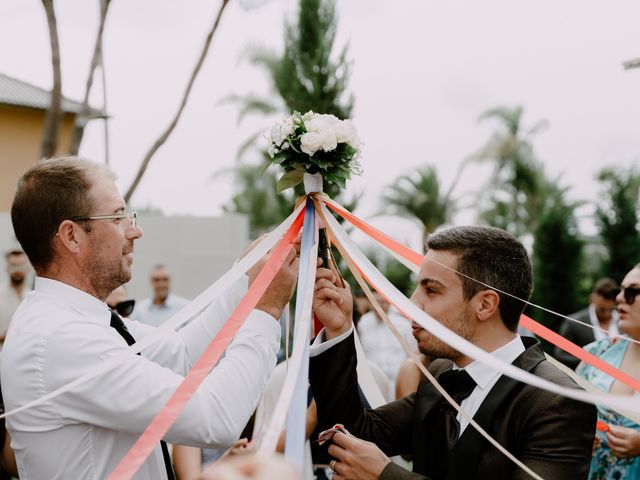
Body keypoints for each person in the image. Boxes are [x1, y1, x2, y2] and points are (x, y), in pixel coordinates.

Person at [1, 156, 299, 479]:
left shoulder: (78, 320)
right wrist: (266, 311)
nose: (135, 231)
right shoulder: (60, 337)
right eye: (117, 218)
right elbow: (215, 418)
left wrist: (247, 273)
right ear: (71, 236)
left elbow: (183, 353)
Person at [309, 225, 596, 479]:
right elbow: (354, 432)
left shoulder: (557, 401)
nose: (411, 303)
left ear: (485, 305)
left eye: (431, 291)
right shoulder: (440, 374)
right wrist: (338, 329)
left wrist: (386, 476)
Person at [577, 263, 640, 479]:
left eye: (632, 291)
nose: (620, 298)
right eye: (619, 291)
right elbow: (568, 415)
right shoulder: (597, 354)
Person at [555, 277, 620, 369]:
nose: (607, 313)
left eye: (611, 309)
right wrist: (590, 362)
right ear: (592, 298)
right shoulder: (574, 322)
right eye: (602, 309)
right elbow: (560, 354)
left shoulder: (625, 321)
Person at [357, 291, 417, 384]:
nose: (379, 306)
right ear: (370, 303)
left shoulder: (403, 324)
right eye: (375, 302)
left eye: (382, 302)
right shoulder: (362, 324)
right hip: (372, 381)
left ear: (389, 303)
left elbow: (413, 352)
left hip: (398, 380)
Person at [0, 250, 30, 349]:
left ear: (28, 269)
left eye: (21, 265)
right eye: (13, 265)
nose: (17, 270)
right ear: (7, 268)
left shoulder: (32, 297)